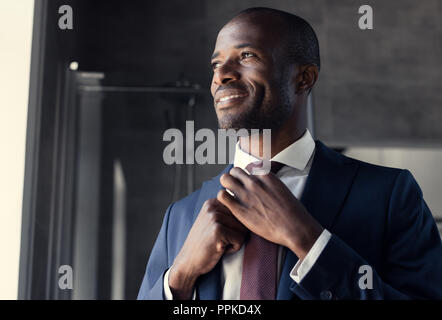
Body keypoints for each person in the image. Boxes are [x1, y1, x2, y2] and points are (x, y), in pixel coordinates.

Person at [137, 7, 442, 300]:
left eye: (246, 56)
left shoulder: (389, 196)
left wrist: (309, 241)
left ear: (304, 78)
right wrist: (181, 275)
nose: (221, 76)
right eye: (216, 64)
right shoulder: (181, 216)